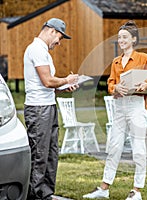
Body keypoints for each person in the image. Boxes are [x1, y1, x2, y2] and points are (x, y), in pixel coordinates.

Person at [83, 20, 147, 200]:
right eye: (119, 37)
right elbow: (111, 83)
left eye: (124, 37)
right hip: (120, 107)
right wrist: (115, 89)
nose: (121, 40)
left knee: (138, 149)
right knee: (114, 147)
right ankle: (104, 188)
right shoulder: (115, 62)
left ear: (133, 40)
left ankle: (136, 190)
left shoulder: (143, 58)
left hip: (137, 106)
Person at [24, 18, 79, 200]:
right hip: (38, 109)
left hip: (48, 106)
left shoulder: (44, 51)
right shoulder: (36, 49)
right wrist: (66, 80)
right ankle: (35, 195)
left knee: (51, 153)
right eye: (60, 38)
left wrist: (63, 87)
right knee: (39, 154)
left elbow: (49, 85)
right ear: (52, 31)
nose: (59, 42)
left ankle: (46, 193)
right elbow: (47, 80)